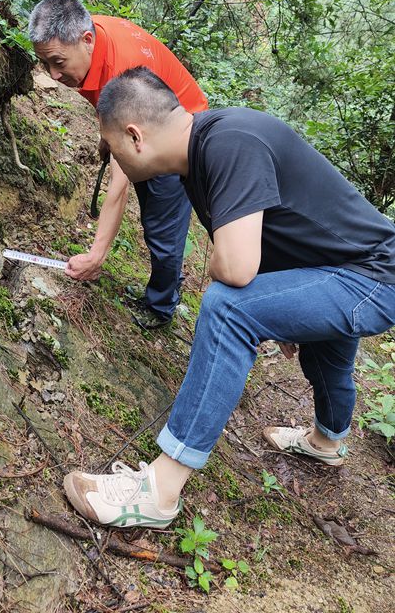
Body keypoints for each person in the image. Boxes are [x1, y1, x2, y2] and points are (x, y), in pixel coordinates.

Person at [63, 67, 395, 530]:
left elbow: (237, 268)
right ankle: (327, 442)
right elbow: (283, 228)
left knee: (227, 308)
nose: (112, 159)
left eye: (112, 150)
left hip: (376, 276)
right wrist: (287, 303)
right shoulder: (201, 154)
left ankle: (160, 490)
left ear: (135, 137)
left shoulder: (229, 142)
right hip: (341, 267)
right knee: (326, 357)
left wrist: (256, 293)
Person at [28, 0, 208, 329]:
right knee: (154, 216)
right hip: (140, 118)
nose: (53, 75)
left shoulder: (121, 74)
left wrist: (96, 256)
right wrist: (107, 134)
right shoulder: (84, 35)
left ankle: (162, 304)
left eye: (58, 62)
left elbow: (118, 187)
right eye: (45, 65)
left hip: (181, 133)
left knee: (162, 228)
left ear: (86, 41)